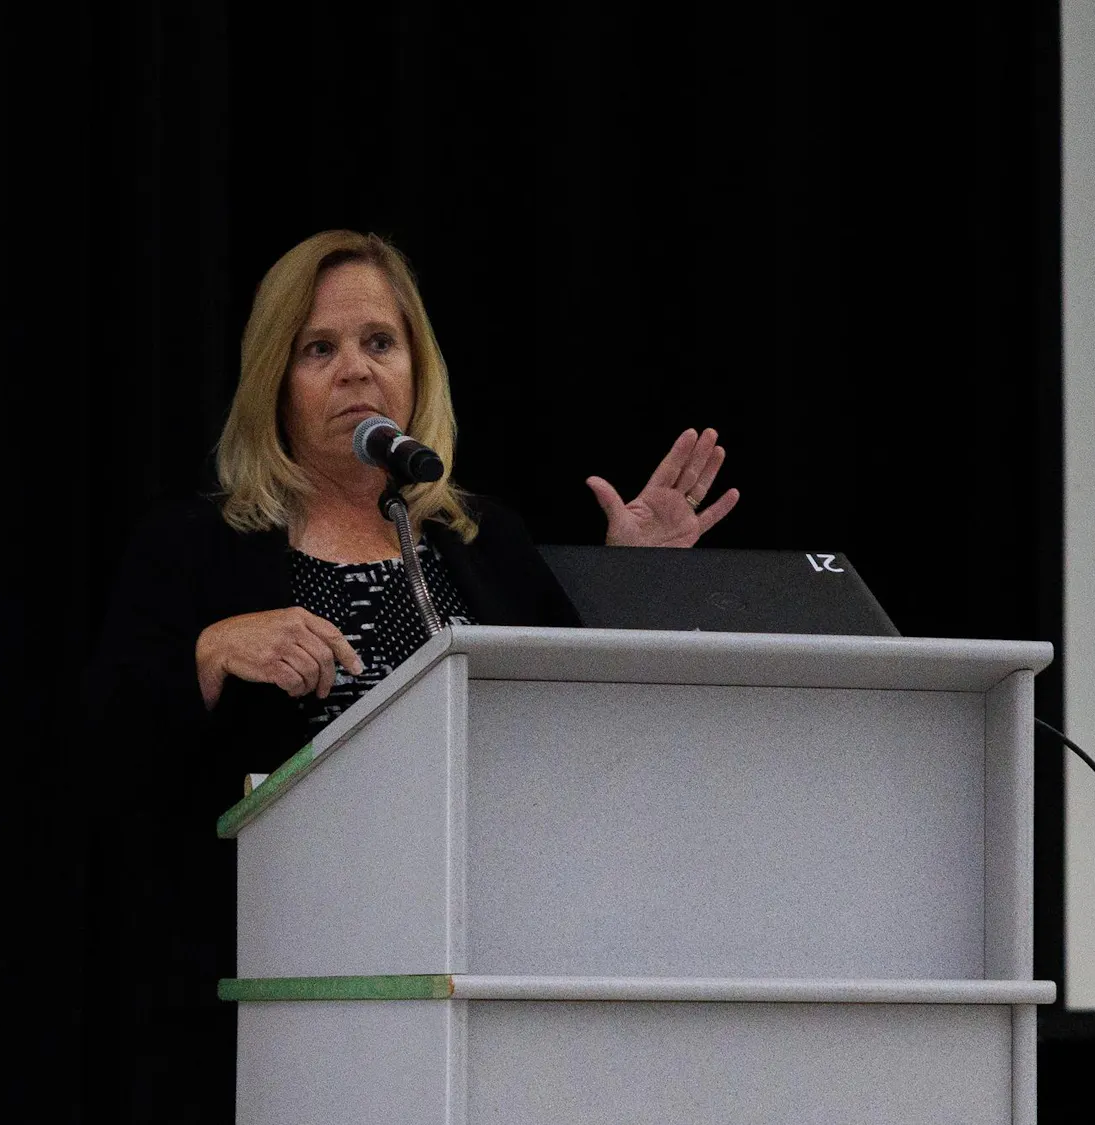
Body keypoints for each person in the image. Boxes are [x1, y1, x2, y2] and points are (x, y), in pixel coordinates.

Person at [79, 229, 738, 1122]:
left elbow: (582, 746)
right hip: (274, 985)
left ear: (417, 370)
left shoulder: (484, 542)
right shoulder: (193, 547)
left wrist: (628, 584)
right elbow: (106, 756)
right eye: (319, 349)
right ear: (275, 380)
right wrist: (207, 655)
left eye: (379, 342)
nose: (355, 369)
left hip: (476, 972)